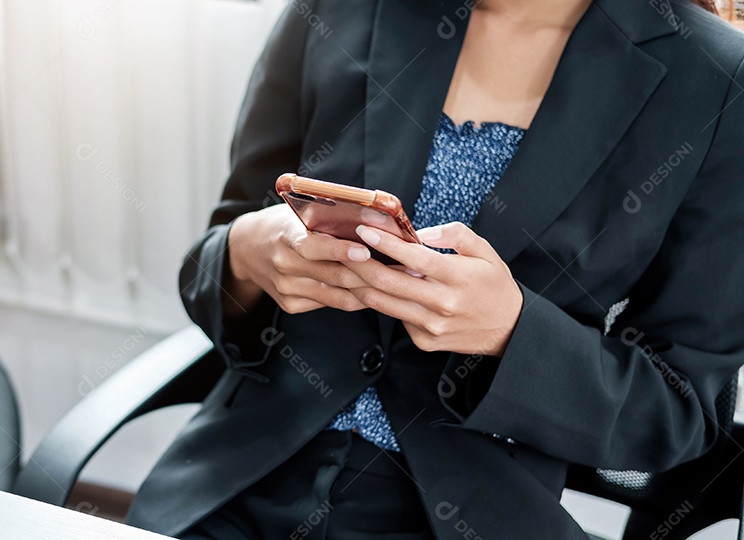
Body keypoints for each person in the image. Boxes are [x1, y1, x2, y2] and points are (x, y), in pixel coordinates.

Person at [126, 0, 744, 538]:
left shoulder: (717, 81)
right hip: (238, 483)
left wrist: (513, 332)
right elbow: (209, 265)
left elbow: (681, 410)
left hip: (468, 511)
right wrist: (245, 252)